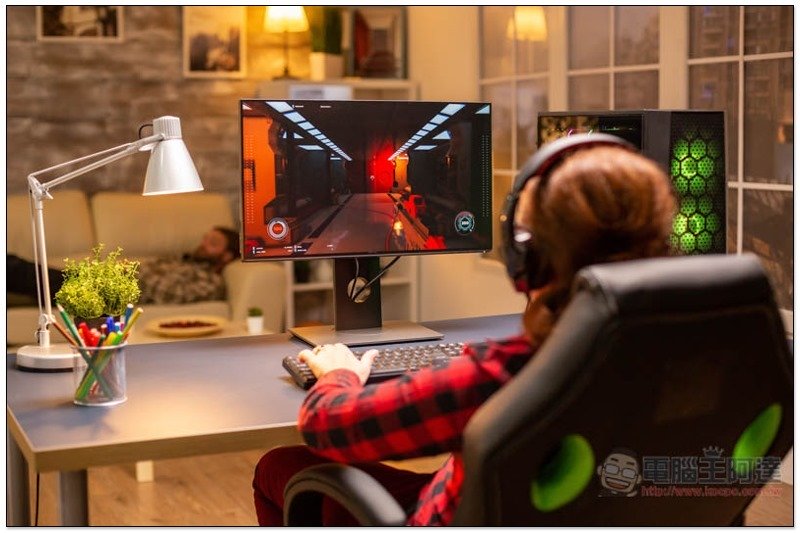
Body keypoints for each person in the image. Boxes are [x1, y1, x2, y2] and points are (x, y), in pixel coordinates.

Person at [252, 142, 677, 526]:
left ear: (525, 258)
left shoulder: (507, 372)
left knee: (278, 466)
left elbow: (329, 427)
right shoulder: (685, 354)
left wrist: (338, 375)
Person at [7, 226, 240, 306]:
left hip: (114, 290)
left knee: (21, 272)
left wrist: (134, 273)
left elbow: (167, 294)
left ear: (227, 256)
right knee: (24, 274)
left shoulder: (210, 281)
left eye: (213, 243)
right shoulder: (182, 260)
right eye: (205, 239)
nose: (203, 244)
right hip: (107, 280)